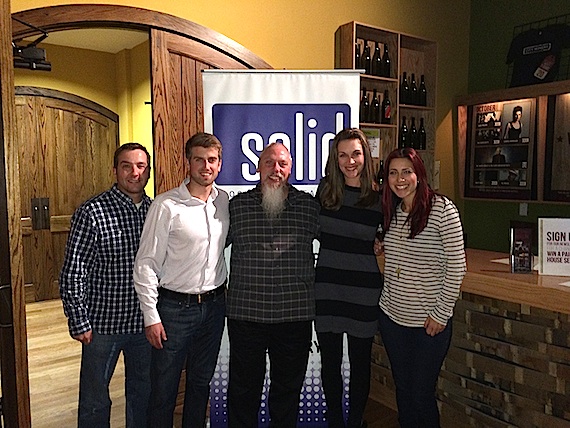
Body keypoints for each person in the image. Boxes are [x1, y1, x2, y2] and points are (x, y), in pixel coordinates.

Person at [133, 133, 229, 428]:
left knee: (200, 385)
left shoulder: (223, 201)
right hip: (174, 310)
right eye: (199, 159)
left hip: (214, 309)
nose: (205, 166)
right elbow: (146, 263)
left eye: (211, 160)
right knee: (164, 390)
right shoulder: (166, 205)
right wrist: (152, 317)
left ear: (219, 163)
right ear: (188, 162)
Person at [226, 142, 320, 427]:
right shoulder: (236, 206)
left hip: (294, 315)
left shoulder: (309, 207)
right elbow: (206, 245)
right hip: (246, 315)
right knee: (243, 392)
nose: (275, 170)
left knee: (287, 393)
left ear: (290, 169)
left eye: (282, 164)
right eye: (269, 163)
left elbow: (340, 240)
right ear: (258, 167)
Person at [59, 142, 152, 428]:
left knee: (142, 396)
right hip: (102, 326)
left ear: (148, 172)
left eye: (141, 166)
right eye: (127, 166)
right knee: (94, 401)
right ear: (115, 171)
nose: (134, 173)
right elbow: (74, 270)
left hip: (144, 325)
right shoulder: (93, 212)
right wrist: (79, 320)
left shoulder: (156, 210)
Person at [376, 147, 466, 428]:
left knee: (421, 395)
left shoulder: (442, 209)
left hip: (428, 323)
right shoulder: (392, 209)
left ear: (419, 174)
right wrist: (379, 246)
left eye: (406, 172)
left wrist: (441, 313)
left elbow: (457, 265)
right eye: (393, 173)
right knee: (403, 393)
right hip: (392, 318)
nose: (399, 179)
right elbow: (394, 249)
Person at [315, 128, 383, 428]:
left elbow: (390, 237)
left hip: (363, 291)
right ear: (335, 158)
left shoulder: (381, 198)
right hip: (328, 289)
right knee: (330, 364)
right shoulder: (326, 192)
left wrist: (381, 241)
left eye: (355, 153)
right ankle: (335, 422)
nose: (349, 161)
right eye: (342, 155)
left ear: (365, 156)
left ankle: (354, 421)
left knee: (359, 365)